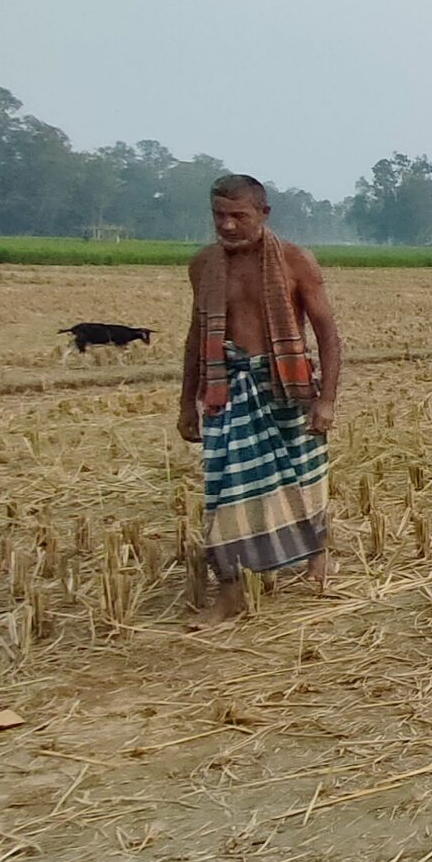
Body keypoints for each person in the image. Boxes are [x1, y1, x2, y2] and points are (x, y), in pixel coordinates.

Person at [178, 174, 342, 618]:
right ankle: (231, 588)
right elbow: (197, 336)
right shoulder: (203, 266)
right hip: (226, 388)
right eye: (219, 215)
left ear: (263, 215)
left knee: (303, 477)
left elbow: (328, 334)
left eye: (238, 216)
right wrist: (185, 404)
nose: (228, 225)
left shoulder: (295, 261)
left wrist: (326, 400)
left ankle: (315, 557)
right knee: (225, 485)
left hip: (287, 384)